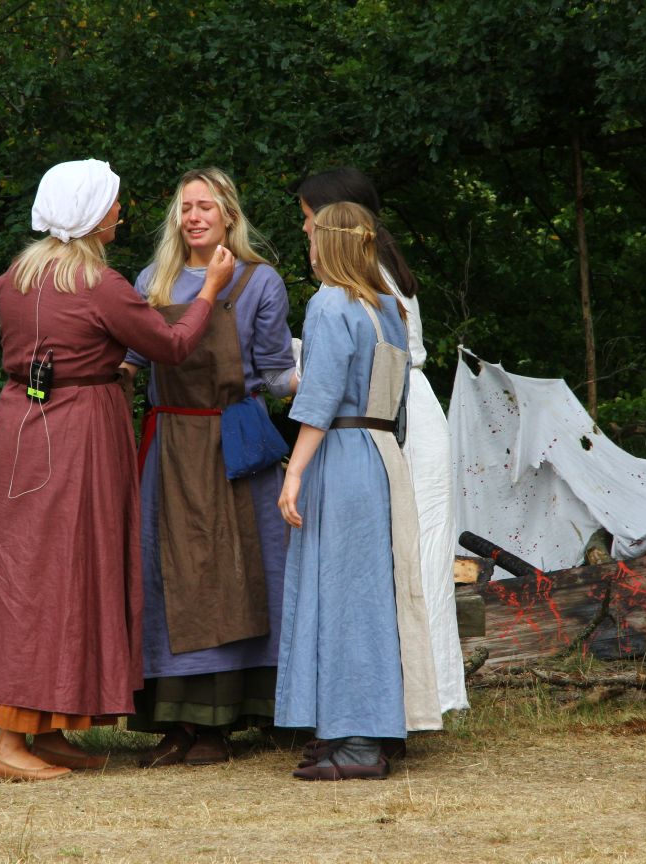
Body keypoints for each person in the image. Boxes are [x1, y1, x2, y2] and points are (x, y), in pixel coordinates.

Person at [0, 159, 235, 782]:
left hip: (21, 428)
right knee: (53, 576)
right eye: (112, 204)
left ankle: (47, 728)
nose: (120, 213)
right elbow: (172, 346)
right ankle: (9, 742)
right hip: (76, 434)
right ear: (89, 215)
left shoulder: (14, 279)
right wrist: (209, 290)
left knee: (39, 570)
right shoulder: (99, 285)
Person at [122, 167, 297, 767]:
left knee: (238, 578)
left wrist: (333, 398)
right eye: (185, 207)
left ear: (229, 215)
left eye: (206, 207)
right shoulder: (151, 279)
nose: (194, 217)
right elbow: (129, 359)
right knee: (169, 578)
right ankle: (176, 723)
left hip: (236, 447)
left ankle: (224, 721)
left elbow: (276, 371)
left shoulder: (259, 280)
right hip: (170, 447)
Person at [275, 201, 441, 780]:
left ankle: (357, 740)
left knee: (345, 598)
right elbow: (396, 401)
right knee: (370, 594)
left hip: (344, 457)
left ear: (329, 242)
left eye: (312, 235)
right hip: (381, 456)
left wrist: (294, 471)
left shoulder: (330, 304)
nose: (308, 244)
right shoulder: (388, 307)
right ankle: (349, 730)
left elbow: (320, 396)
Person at [296, 168, 468, 721]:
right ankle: (412, 695)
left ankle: (425, 694)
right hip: (398, 406)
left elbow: (357, 365)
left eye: (309, 218)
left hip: (396, 412)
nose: (305, 229)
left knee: (412, 556)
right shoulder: (377, 273)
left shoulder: (363, 284)